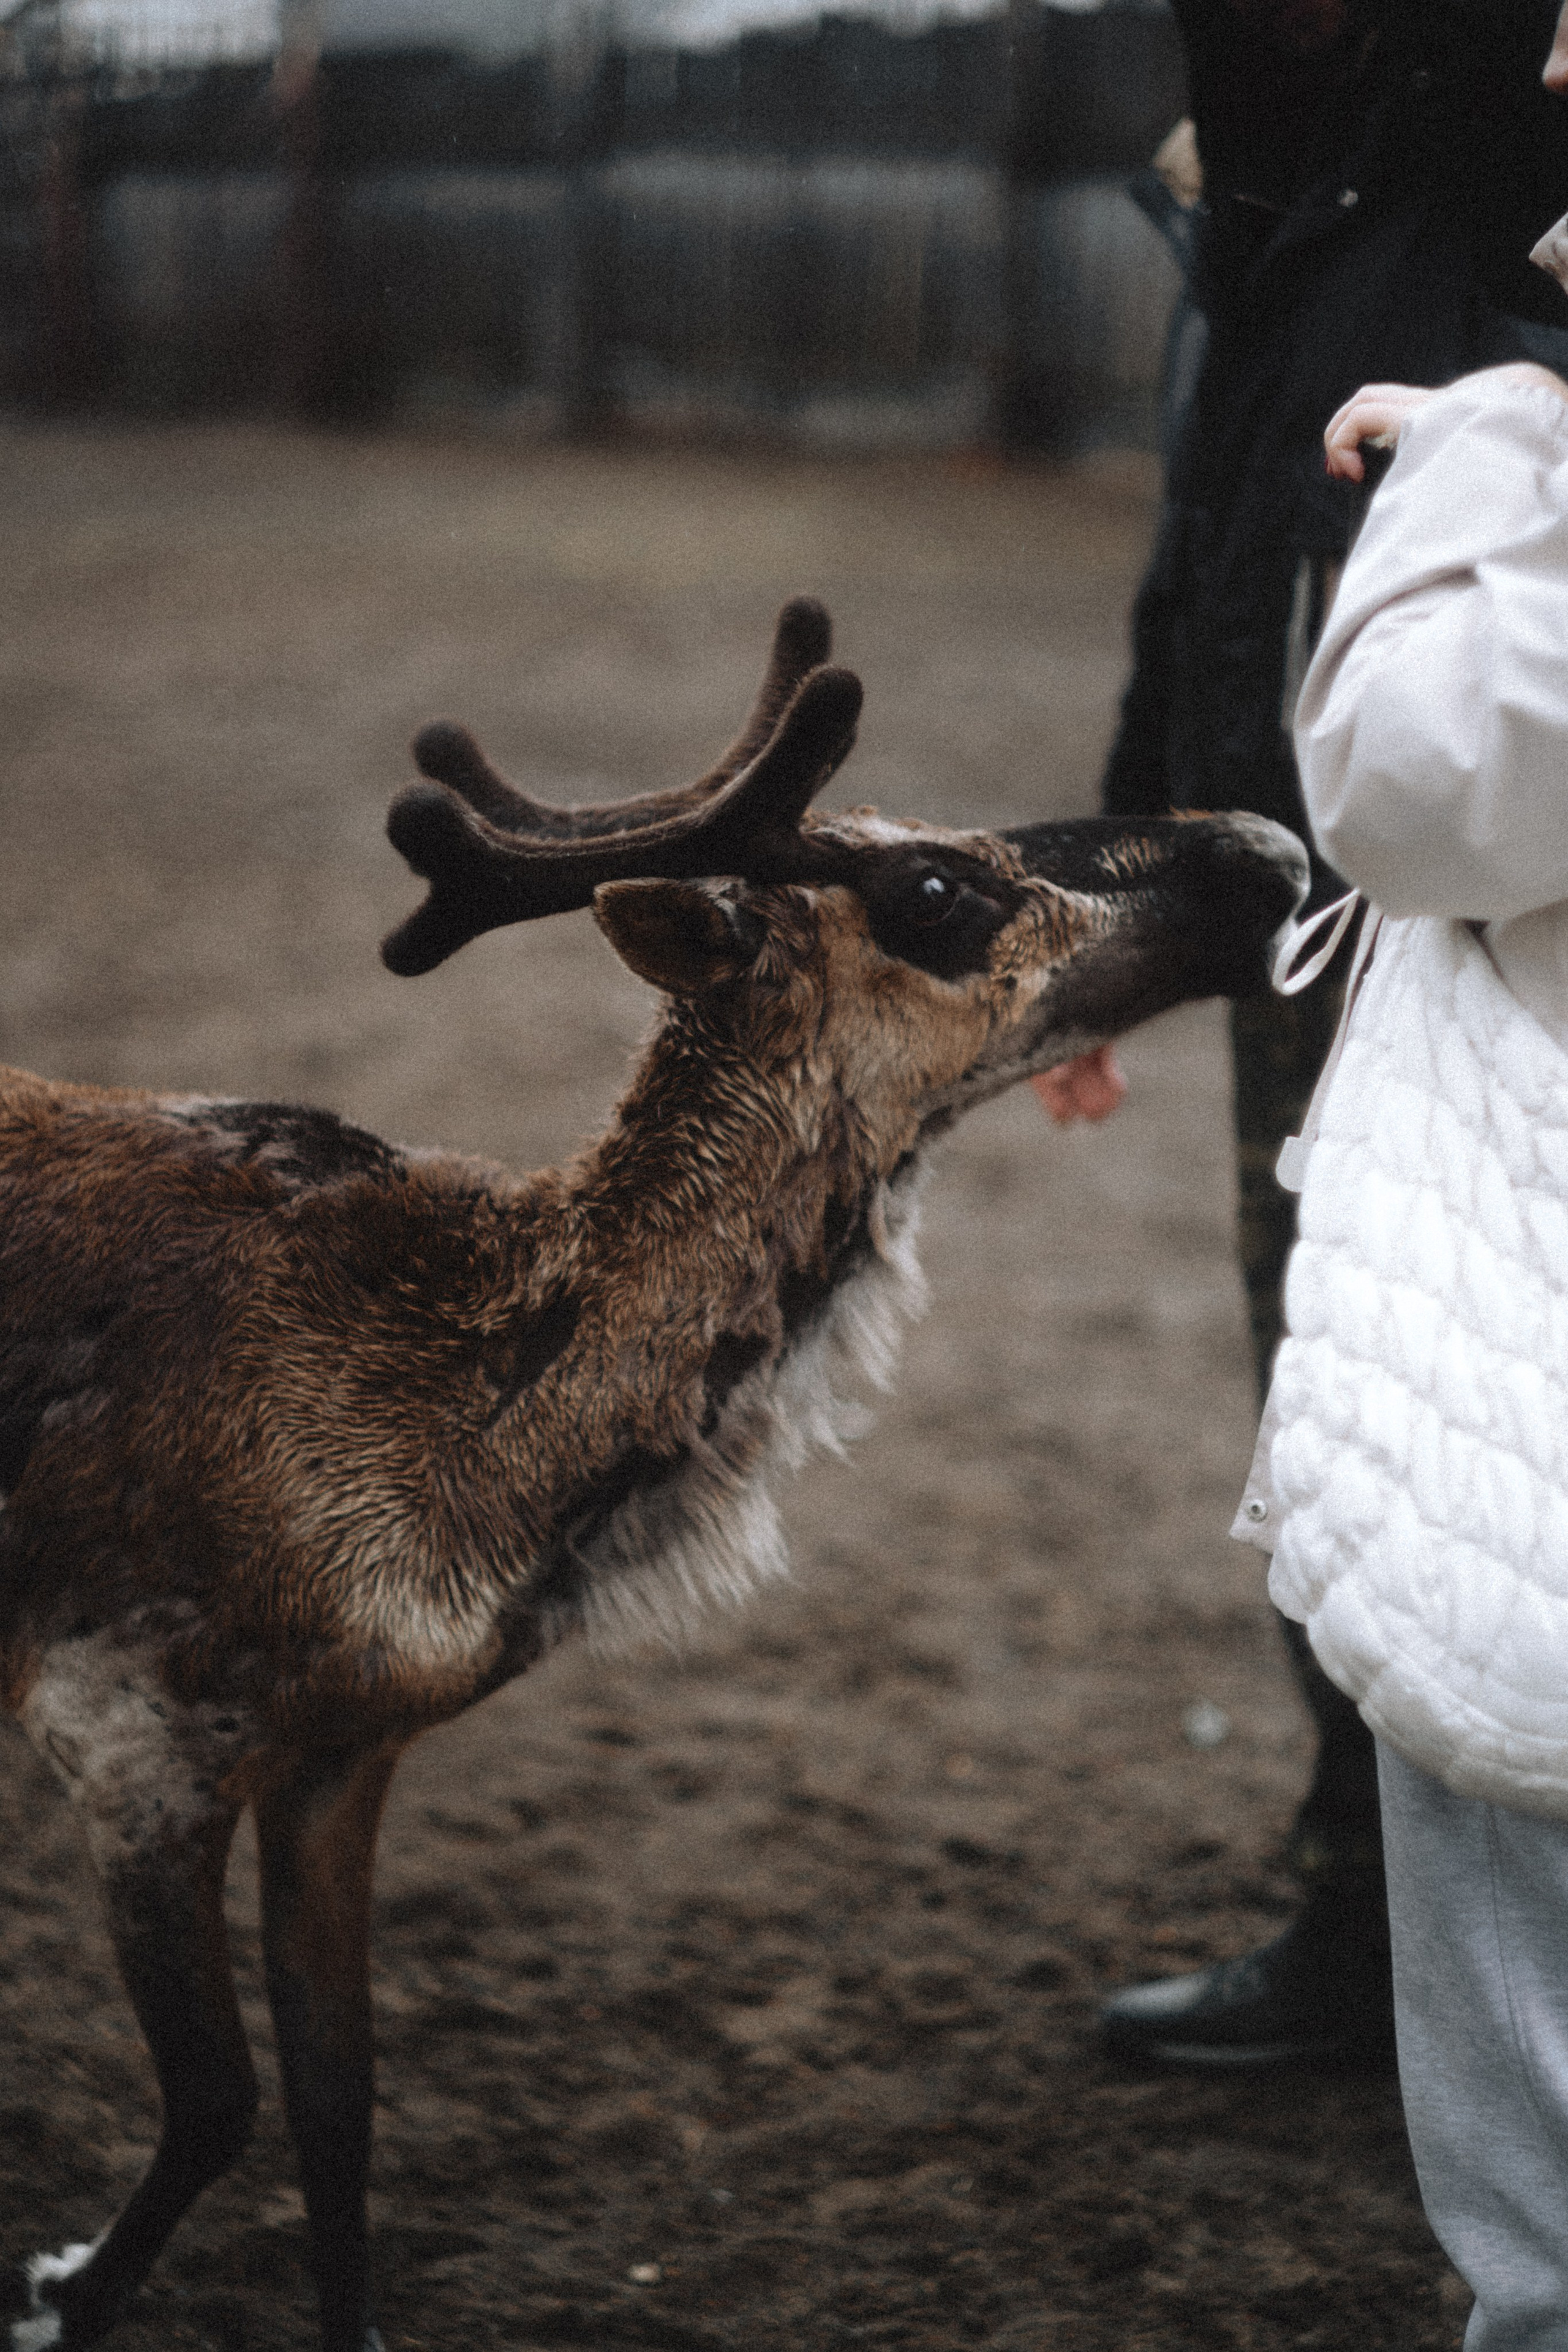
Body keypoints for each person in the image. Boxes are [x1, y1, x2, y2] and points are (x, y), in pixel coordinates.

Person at [1036, 0, 1568, 2069]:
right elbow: (1215, 549)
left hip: (1457, 886)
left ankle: (1438, 1953)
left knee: (1471, 1415)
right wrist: (1127, 910)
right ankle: (1374, 1919)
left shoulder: (1473, 155)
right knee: (1338, 1385)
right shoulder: (1275, 183)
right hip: (1295, 885)